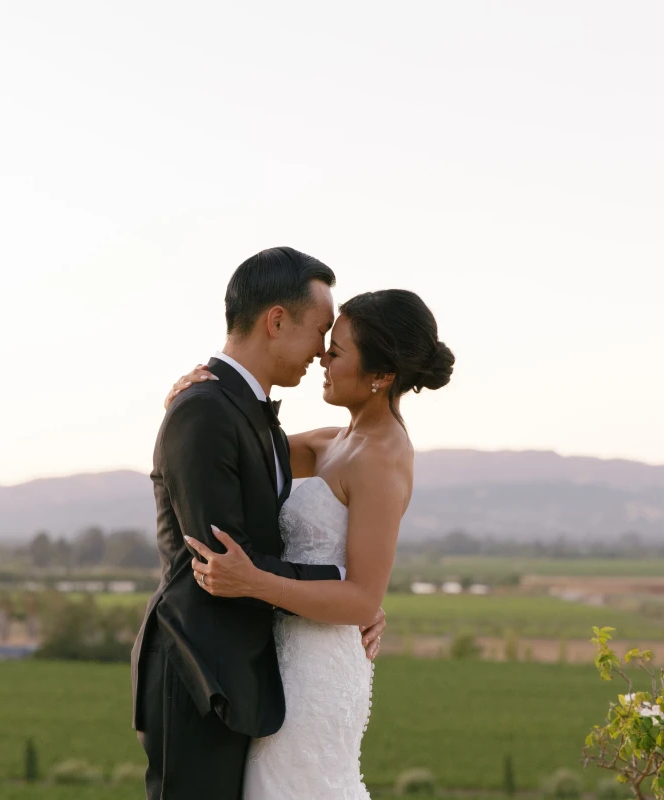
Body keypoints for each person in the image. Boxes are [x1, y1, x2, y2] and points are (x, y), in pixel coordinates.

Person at [167, 285, 455, 798]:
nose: (322, 356)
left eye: (338, 350)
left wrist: (254, 581)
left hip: (316, 675)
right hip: (277, 660)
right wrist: (190, 400)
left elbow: (363, 598)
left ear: (382, 376)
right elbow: (234, 444)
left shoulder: (381, 459)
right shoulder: (332, 441)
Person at [130, 246, 389, 800]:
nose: (323, 352)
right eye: (320, 330)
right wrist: (347, 594)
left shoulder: (257, 417)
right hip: (196, 672)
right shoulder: (205, 409)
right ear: (276, 321)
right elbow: (224, 562)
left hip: (241, 676)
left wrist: (354, 600)